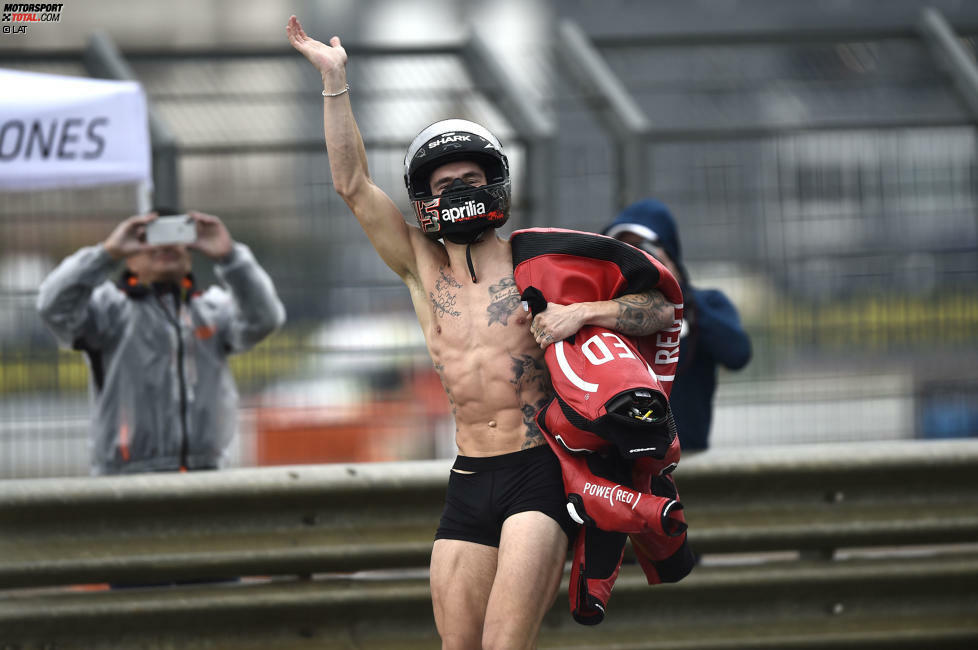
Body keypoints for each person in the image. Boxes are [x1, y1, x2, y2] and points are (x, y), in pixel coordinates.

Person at [287, 15, 676, 649]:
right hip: (469, 476)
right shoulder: (421, 268)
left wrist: (583, 314)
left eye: (471, 180)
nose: (461, 193)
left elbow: (660, 307)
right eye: (447, 185)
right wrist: (335, 81)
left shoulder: (541, 262)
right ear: (425, 199)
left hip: (541, 472)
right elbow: (351, 185)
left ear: (494, 183)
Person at [36, 210, 286, 475]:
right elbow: (52, 306)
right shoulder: (109, 311)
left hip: (205, 472)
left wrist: (231, 257)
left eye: (176, 235)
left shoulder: (211, 309)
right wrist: (106, 254)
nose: (165, 245)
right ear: (129, 259)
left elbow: (265, 319)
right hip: (125, 477)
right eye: (150, 238)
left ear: (190, 253)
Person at [604, 198, 752, 453]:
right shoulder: (603, 310)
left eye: (641, 248)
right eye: (623, 249)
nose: (634, 258)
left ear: (668, 251)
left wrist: (674, 288)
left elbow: (737, 354)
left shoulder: (706, 304)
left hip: (687, 454)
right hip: (623, 459)